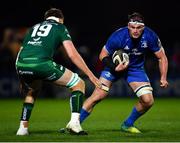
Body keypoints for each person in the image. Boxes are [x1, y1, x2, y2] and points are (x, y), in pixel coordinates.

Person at [15, 8, 102, 136]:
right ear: (61, 19)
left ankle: (22, 129)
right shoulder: (60, 27)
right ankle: (75, 123)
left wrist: (21, 79)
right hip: (41, 63)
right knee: (79, 83)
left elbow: (20, 53)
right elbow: (72, 54)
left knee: (32, 90)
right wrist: (91, 75)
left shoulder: (33, 28)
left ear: (46, 18)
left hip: (21, 64)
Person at [80, 12, 168, 133]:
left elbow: (162, 57)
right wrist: (114, 67)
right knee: (98, 95)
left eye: (139, 28)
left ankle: (127, 124)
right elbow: (102, 55)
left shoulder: (150, 36)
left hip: (135, 69)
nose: (135, 30)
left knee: (148, 101)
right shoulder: (118, 36)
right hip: (113, 68)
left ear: (144, 27)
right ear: (128, 26)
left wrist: (163, 77)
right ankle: (75, 123)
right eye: (132, 27)